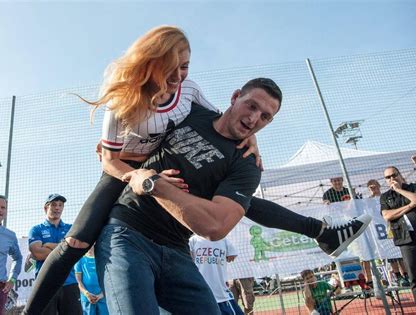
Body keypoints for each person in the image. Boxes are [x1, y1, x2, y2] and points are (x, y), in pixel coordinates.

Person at [23, 25, 258, 314]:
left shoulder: (191, 90)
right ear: (150, 64)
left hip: (157, 169)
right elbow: (110, 160)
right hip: (124, 169)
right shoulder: (123, 101)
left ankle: (320, 232)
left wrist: (252, 136)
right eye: (169, 68)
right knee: (77, 240)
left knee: (249, 204)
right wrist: (136, 175)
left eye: (184, 66)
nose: (177, 76)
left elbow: (221, 121)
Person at [96, 77, 371, 314]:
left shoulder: (247, 164)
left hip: (176, 247)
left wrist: (154, 184)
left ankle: (321, 231)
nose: (254, 119)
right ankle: (322, 232)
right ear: (235, 96)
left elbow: (215, 226)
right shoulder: (190, 110)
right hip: (126, 232)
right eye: (251, 106)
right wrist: (120, 160)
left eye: (265, 117)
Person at [380, 166, 416, 314]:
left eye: (394, 175)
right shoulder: (385, 197)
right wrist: (410, 205)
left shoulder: (414, 186)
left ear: (400, 174)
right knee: (415, 278)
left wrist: (399, 190)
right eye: (388, 177)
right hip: (406, 239)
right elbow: (387, 215)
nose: (391, 179)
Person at [28, 194, 82, 315]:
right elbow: (37, 253)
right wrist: (64, 246)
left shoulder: (71, 228)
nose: (57, 208)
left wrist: (47, 245)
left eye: (60, 205)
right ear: (46, 208)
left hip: (70, 283)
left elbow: (73, 251)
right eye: (53, 205)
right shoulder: (36, 229)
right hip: (45, 284)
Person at [367, 178, 410, 287]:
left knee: (399, 251)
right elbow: (370, 213)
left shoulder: (386, 196)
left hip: (393, 225)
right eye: (371, 187)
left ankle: (405, 274)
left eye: (375, 186)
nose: (374, 189)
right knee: (391, 254)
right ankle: (398, 276)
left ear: (379, 186)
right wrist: (371, 197)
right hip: (381, 230)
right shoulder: (369, 201)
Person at [189, 235, 243, 315]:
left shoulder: (223, 240)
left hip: (220, 294)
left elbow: (232, 256)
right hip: (204, 294)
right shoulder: (193, 240)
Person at [75, 245, 108, 315]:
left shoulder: (103, 259)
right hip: (86, 299)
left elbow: (109, 280)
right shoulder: (79, 260)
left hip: (103, 297)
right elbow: (79, 281)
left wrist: (102, 295)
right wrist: (87, 294)